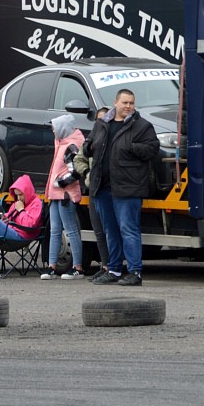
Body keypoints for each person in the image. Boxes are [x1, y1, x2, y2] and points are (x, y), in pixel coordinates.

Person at [85, 89, 160, 287]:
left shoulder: (143, 126)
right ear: (115, 103)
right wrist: (86, 147)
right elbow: (90, 142)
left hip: (129, 188)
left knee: (129, 229)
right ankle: (114, 269)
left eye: (131, 103)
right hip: (102, 187)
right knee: (111, 230)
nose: (128, 106)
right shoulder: (102, 124)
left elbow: (153, 149)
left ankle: (135, 272)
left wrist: (132, 148)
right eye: (125, 102)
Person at [43, 113, 87, 280]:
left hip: (66, 194)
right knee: (55, 230)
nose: (53, 130)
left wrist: (61, 183)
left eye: (54, 126)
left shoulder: (71, 146)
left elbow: (76, 171)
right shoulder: (61, 143)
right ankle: (52, 266)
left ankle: (78, 267)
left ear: (62, 128)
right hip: (56, 194)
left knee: (71, 230)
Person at [71, 106, 111, 279]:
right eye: (99, 120)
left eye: (105, 119)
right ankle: (105, 265)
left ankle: (113, 266)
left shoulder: (114, 138)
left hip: (111, 190)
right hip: (94, 190)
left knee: (112, 231)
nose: (102, 122)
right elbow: (78, 159)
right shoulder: (91, 139)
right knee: (99, 231)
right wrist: (87, 173)